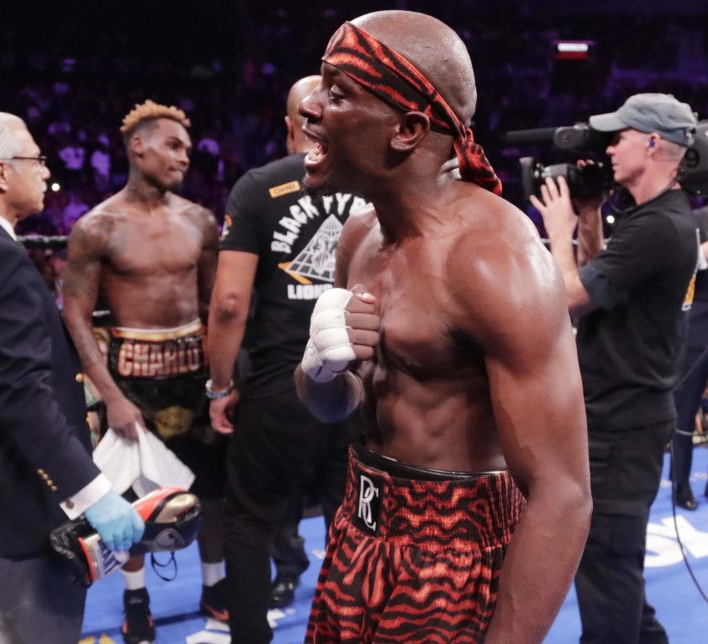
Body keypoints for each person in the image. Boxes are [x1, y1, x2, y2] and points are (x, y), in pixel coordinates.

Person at [294, 11, 591, 643]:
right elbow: (337, 408)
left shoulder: (493, 260)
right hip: (357, 530)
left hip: (455, 559)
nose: (309, 107)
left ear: (406, 129)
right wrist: (318, 372)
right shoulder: (359, 234)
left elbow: (563, 494)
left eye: (336, 92)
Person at [0, 110, 143, 644]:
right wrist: (93, 492)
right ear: (0, 173)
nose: (45, 170)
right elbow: (23, 397)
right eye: (35, 159)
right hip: (19, 512)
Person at [533, 92, 699, 643]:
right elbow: (607, 283)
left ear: (653, 144)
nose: (608, 147)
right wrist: (585, 221)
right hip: (623, 415)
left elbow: (566, 297)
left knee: (605, 567)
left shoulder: (658, 227)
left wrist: (556, 230)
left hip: (623, 423)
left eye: (619, 136)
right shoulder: (651, 218)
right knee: (613, 565)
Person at [206, 75, 362, 640]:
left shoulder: (258, 187)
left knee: (250, 520)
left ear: (290, 120)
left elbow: (228, 304)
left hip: (278, 386)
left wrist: (219, 387)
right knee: (357, 522)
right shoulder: (374, 185)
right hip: (359, 385)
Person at [62, 100, 223, 644]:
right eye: (173, 145)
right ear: (139, 146)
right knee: (134, 497)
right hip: (131, 376)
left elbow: (215, 308)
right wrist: (108, 394)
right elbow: (76, 319)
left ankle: (214, 585)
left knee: (212, 489)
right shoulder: (96, 227)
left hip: (196, 372)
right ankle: (136, 601)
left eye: (187, 148)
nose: (185, 157)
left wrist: (224, 381)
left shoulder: (199, 220)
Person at [670, 206, 708, 511]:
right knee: (686, 408)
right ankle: (680, 485)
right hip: (697, 325)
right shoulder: (694, 220)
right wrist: (704, 254)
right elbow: (676, 266)